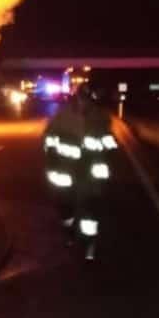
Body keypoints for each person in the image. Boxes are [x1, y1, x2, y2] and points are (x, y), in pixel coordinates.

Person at [43, 85, 115, 260]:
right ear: (76, 99)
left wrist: (105, 150)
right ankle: (68, 230)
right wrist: (52, 155)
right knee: (65, 205)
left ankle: (89, 244)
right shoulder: (62, 116)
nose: (84, 103)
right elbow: (49, 137)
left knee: (91, 209)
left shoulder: (100, 117)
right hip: (66, 170)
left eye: (87, 99)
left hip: (92, 172)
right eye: (81, 99)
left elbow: (109, 142)